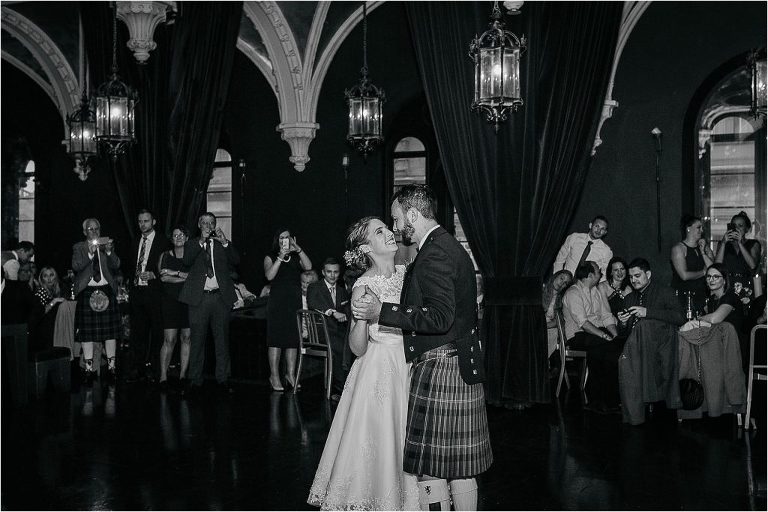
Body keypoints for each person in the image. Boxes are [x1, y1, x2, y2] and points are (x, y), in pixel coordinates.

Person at [352, 185, 492, 511]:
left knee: (431, 469)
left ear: (413, 214)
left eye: (397, 218)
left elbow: (440, 316)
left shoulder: (435, 253)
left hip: (442, 364)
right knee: (459, 467)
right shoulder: (445, 246)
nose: (396, 227)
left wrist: (380, 312)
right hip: (458, 361)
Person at [308, 216, 419, 510]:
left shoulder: (409, 274)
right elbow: (357, 348)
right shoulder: (363, 286)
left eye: (388, 228)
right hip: (379, 369)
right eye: (380, 231)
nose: (389, 233)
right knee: (382, 438)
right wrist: (360, 320)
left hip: (411, 365)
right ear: (367, 247)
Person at [616, 258, 685, 425]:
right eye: (631, 277)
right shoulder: (629, 298)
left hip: (662, 346)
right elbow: (623, 333)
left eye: (637, 275)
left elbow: (680, 318)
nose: (633, 280)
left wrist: (648, 312)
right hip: (636, 347)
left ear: (648, 274)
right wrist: (623, 322)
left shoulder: (665, 292)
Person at [178, 212, 240, 395]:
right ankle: (195, 380)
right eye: (204, 222)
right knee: (196, 341)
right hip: (199, 299)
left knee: (221, 340)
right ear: (199, 224)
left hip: (219, 298)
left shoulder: (222, 245)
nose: (207, 225)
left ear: (214, 225)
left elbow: (236, 260)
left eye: (210, 223)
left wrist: (226, 242)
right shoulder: (191, 244)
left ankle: (223, 379)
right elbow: (187, 260)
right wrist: (200, 242)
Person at [562, 261, 623, 414]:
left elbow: (606, 315)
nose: (601, 275)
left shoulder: (595, 291)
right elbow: (583, 323)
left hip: (595, 335)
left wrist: (614, 335)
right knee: (603, 347)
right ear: (590, 275)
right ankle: (602, 401)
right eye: (599, 273)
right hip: (577, 335)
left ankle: (606, 401)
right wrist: (604, 335)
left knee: (613, 348)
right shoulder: (573, 293)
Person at [72, 218, 121, 383]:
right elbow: (77, 266)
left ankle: (112, 368)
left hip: (106, 290)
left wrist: (108, 252)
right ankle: (88, 370)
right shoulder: (79, 247)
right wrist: (90, 253)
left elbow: (116, 264)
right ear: (85, 232)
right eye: (90, 229)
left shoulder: (106, 244)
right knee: (86, 335)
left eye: (96, 229)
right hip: (87, 291)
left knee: (110, 333)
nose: (94, 232)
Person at [263, 228, 312, 392]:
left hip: (294, 302)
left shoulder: (296, 256)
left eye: (288, 237)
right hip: (277, 304)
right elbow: (269, 276)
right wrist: (280, 257)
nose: (286, 240)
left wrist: (298, 249)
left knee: (292, 340)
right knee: (275, 340)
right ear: (277, 240)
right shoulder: (270, 257)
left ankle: (290, 374)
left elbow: (309, 266)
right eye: (282, 238)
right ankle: (274, 375)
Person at [126, 209, 170, 382]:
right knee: (138, 333)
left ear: (154, 222)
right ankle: (138, 369)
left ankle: (155, 369)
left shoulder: (163, 242)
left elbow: (170, 267)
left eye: (146, 221)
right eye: (140, 221)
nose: (142, 224)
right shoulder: (135, 240)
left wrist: (155, 275)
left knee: (157, 333)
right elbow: (129, 265)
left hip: (155, 293)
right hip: (137, 292)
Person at [307, 257, 349, 400]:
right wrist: (332, 311)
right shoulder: (314, 287)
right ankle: (342, 389)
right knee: (340, 347)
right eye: (329, 272)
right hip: (321, 333)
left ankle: (349, 387)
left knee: (356, 345)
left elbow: (347, 311)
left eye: (336, 272)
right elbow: (313, 303)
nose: (332, 275)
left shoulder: (342, 291)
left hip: (339, 332)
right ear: (323, 272)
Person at [157, 225, 191, 391]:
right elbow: (163, 278)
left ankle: (183, 374)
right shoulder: (165, 255)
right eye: (175, 235)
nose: (178, 238)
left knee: (186, 338)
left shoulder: (192, 257)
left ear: (186, 238)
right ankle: (163, 376)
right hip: (170, 301)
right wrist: (182, 276)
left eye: (181, 235)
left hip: (188, 301)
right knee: (169, 339)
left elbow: (194, 278)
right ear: (171, 239)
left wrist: (174, 273)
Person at [695, 263, 748, 367]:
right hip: (718, 344)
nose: (711, 280)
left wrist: (698, 319)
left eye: (716, 276)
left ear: (724, 280)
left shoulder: (730, 296)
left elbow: (715, 319)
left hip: (734, 347)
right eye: (709, 276)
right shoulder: (712, 300)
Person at [670, 214, 714, 315]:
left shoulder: (703, 247)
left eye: (702, 228)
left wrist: (704, 251)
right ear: (688, 229)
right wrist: (703, 272)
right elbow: (684, 275)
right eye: (699, 227)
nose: (702, 231)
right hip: (684, 295)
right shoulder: (678, 249)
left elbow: (713, 268)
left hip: (702, 293)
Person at [553, 215, 613, 280]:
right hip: (565, 281)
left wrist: (594, 288)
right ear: (590, 225)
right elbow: (560, 259)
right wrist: (557, 278)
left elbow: (605, 274)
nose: (598, 231)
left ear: (605, 232)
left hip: (583, 287)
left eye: (602, 229)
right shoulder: (574, 237)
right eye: (597, 226)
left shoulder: (606, 251)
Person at [715, 211, 762, 290]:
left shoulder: (753, 243)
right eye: (734, 225)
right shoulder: (723, 244)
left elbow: (752, 265)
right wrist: (723, 243)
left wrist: (740, 243)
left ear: (747, 229)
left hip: (746, 284)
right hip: (727, 284)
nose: (737, 229)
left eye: (740, 226)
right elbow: (717, 266)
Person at [31, 266, 66, 352]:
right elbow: (40, 313)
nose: (49, 279)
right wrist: (54, 301)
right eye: (45, 276)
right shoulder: (41, 292)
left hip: (54, 330)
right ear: (41, 279)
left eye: (51, 275)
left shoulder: (57, 291)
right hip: (43, 332)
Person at [598, 256, 633, 337]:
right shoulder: (602, 286)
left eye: (622, 269)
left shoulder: (629, 289)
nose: (620, 273)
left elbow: (629, 314)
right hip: (607, 325)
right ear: (611, 272)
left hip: (624, 325)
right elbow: (606, 313)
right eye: (616, 270)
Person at [542, 269, 572, 362]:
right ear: (555, 276)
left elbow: (558, 321)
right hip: (535, 326)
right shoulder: (541, 290)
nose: (562, 283)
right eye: (561, 278)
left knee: (554, 332)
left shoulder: (560, 300)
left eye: (565, 283)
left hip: (547, 328)